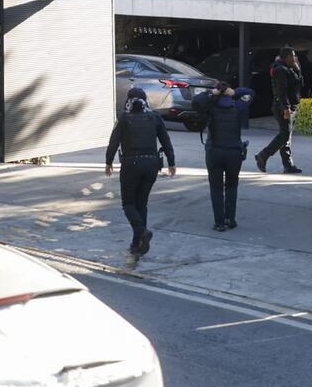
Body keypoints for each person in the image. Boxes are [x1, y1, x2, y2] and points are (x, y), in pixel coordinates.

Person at [104, 87, 176, 256]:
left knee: (128, 204)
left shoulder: (124, 118)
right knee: (141, 203)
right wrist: (171, 162)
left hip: (131, 165)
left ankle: (141, 232)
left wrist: (108, 162)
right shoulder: (155, 117)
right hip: (151, 164)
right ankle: (138, 242)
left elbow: (113, 142)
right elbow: (166, 141)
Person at [192, 81, 255, 231]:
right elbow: (251, 93)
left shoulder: (210, 106)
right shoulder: (237, 106)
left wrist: (211, 93)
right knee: (232, 186)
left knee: (216, 187)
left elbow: (196, 103)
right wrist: (234, 92)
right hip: (234, 151)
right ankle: (230, 219)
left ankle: (219, 222)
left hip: (214, 151)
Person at [255, 46, 303, 174]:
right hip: (282, 107)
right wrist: (286, 108)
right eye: (293, 56)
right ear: (287, 57)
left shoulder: (289, 69)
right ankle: (263, 155)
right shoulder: (280, 70)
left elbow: (299, 86)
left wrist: (298, 71)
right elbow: (281, 91)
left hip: (290, 106)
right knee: (285, 135)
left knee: (287, 136)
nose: (295, 58)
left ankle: (288, 165)